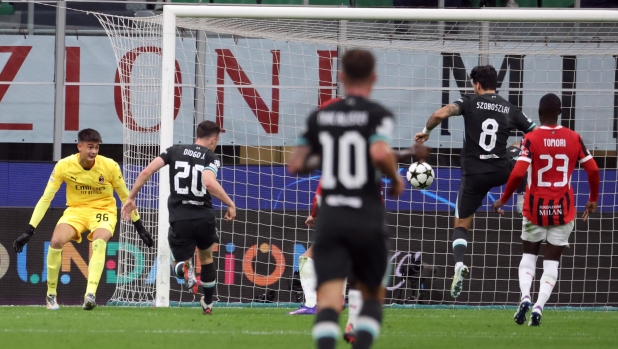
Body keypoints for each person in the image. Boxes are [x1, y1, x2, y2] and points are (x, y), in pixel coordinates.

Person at [288, 49, 428, 349]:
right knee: (372, 294)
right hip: (366, 216)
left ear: (340, 77)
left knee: (327, 303)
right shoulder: (378, 114)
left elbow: (296, 164)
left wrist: (328, 156)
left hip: (332, 218)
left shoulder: (321, 115)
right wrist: (396, 178)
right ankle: (358, 334)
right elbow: (379, 152)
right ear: (374, 78)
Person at [414, 65, 538, 298]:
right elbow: (534, 132)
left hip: (473, 175)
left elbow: (439, 114)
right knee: (519, 147)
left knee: (461, 225)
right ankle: (522, 198)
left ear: (477, 84)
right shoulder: (510, 108)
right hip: (501, 169)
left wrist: (426, 131)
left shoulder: (468, 102)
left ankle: (459, 264)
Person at [13, 128, 153, 310]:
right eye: (90, 147)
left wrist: (139, 226)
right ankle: (51, 295)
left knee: (99, 242)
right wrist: (29, 229)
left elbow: (126, 197)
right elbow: (46, 198)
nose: (94, 151)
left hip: (103, 210)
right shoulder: (64, 166)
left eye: (96, 147)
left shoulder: (110, 166)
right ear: (79, 146)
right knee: (56, 241)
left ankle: (90, 294)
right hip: (76, 211)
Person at [492, 93, 599, 326]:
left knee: (528, 257)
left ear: (539, 113)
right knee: (552, 263)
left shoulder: (530, 138)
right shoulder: (574, 138)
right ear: (560, 112)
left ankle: (525, 297)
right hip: (563, 210)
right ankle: (539, 306)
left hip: (534, 210)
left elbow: (519, 173)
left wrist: (504, 199)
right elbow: (592, 169)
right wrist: (592, 198)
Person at [121, 120, 235, 315]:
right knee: (207, 259)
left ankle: (185, 269)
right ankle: (208, 304)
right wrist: (230, 203)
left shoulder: (174, 150)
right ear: (213, 139)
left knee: (179, 264)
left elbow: (146, 171)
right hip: (204, 216)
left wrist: (131, 197)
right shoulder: (212, 156)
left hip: (180, 216)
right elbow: (208, 181)